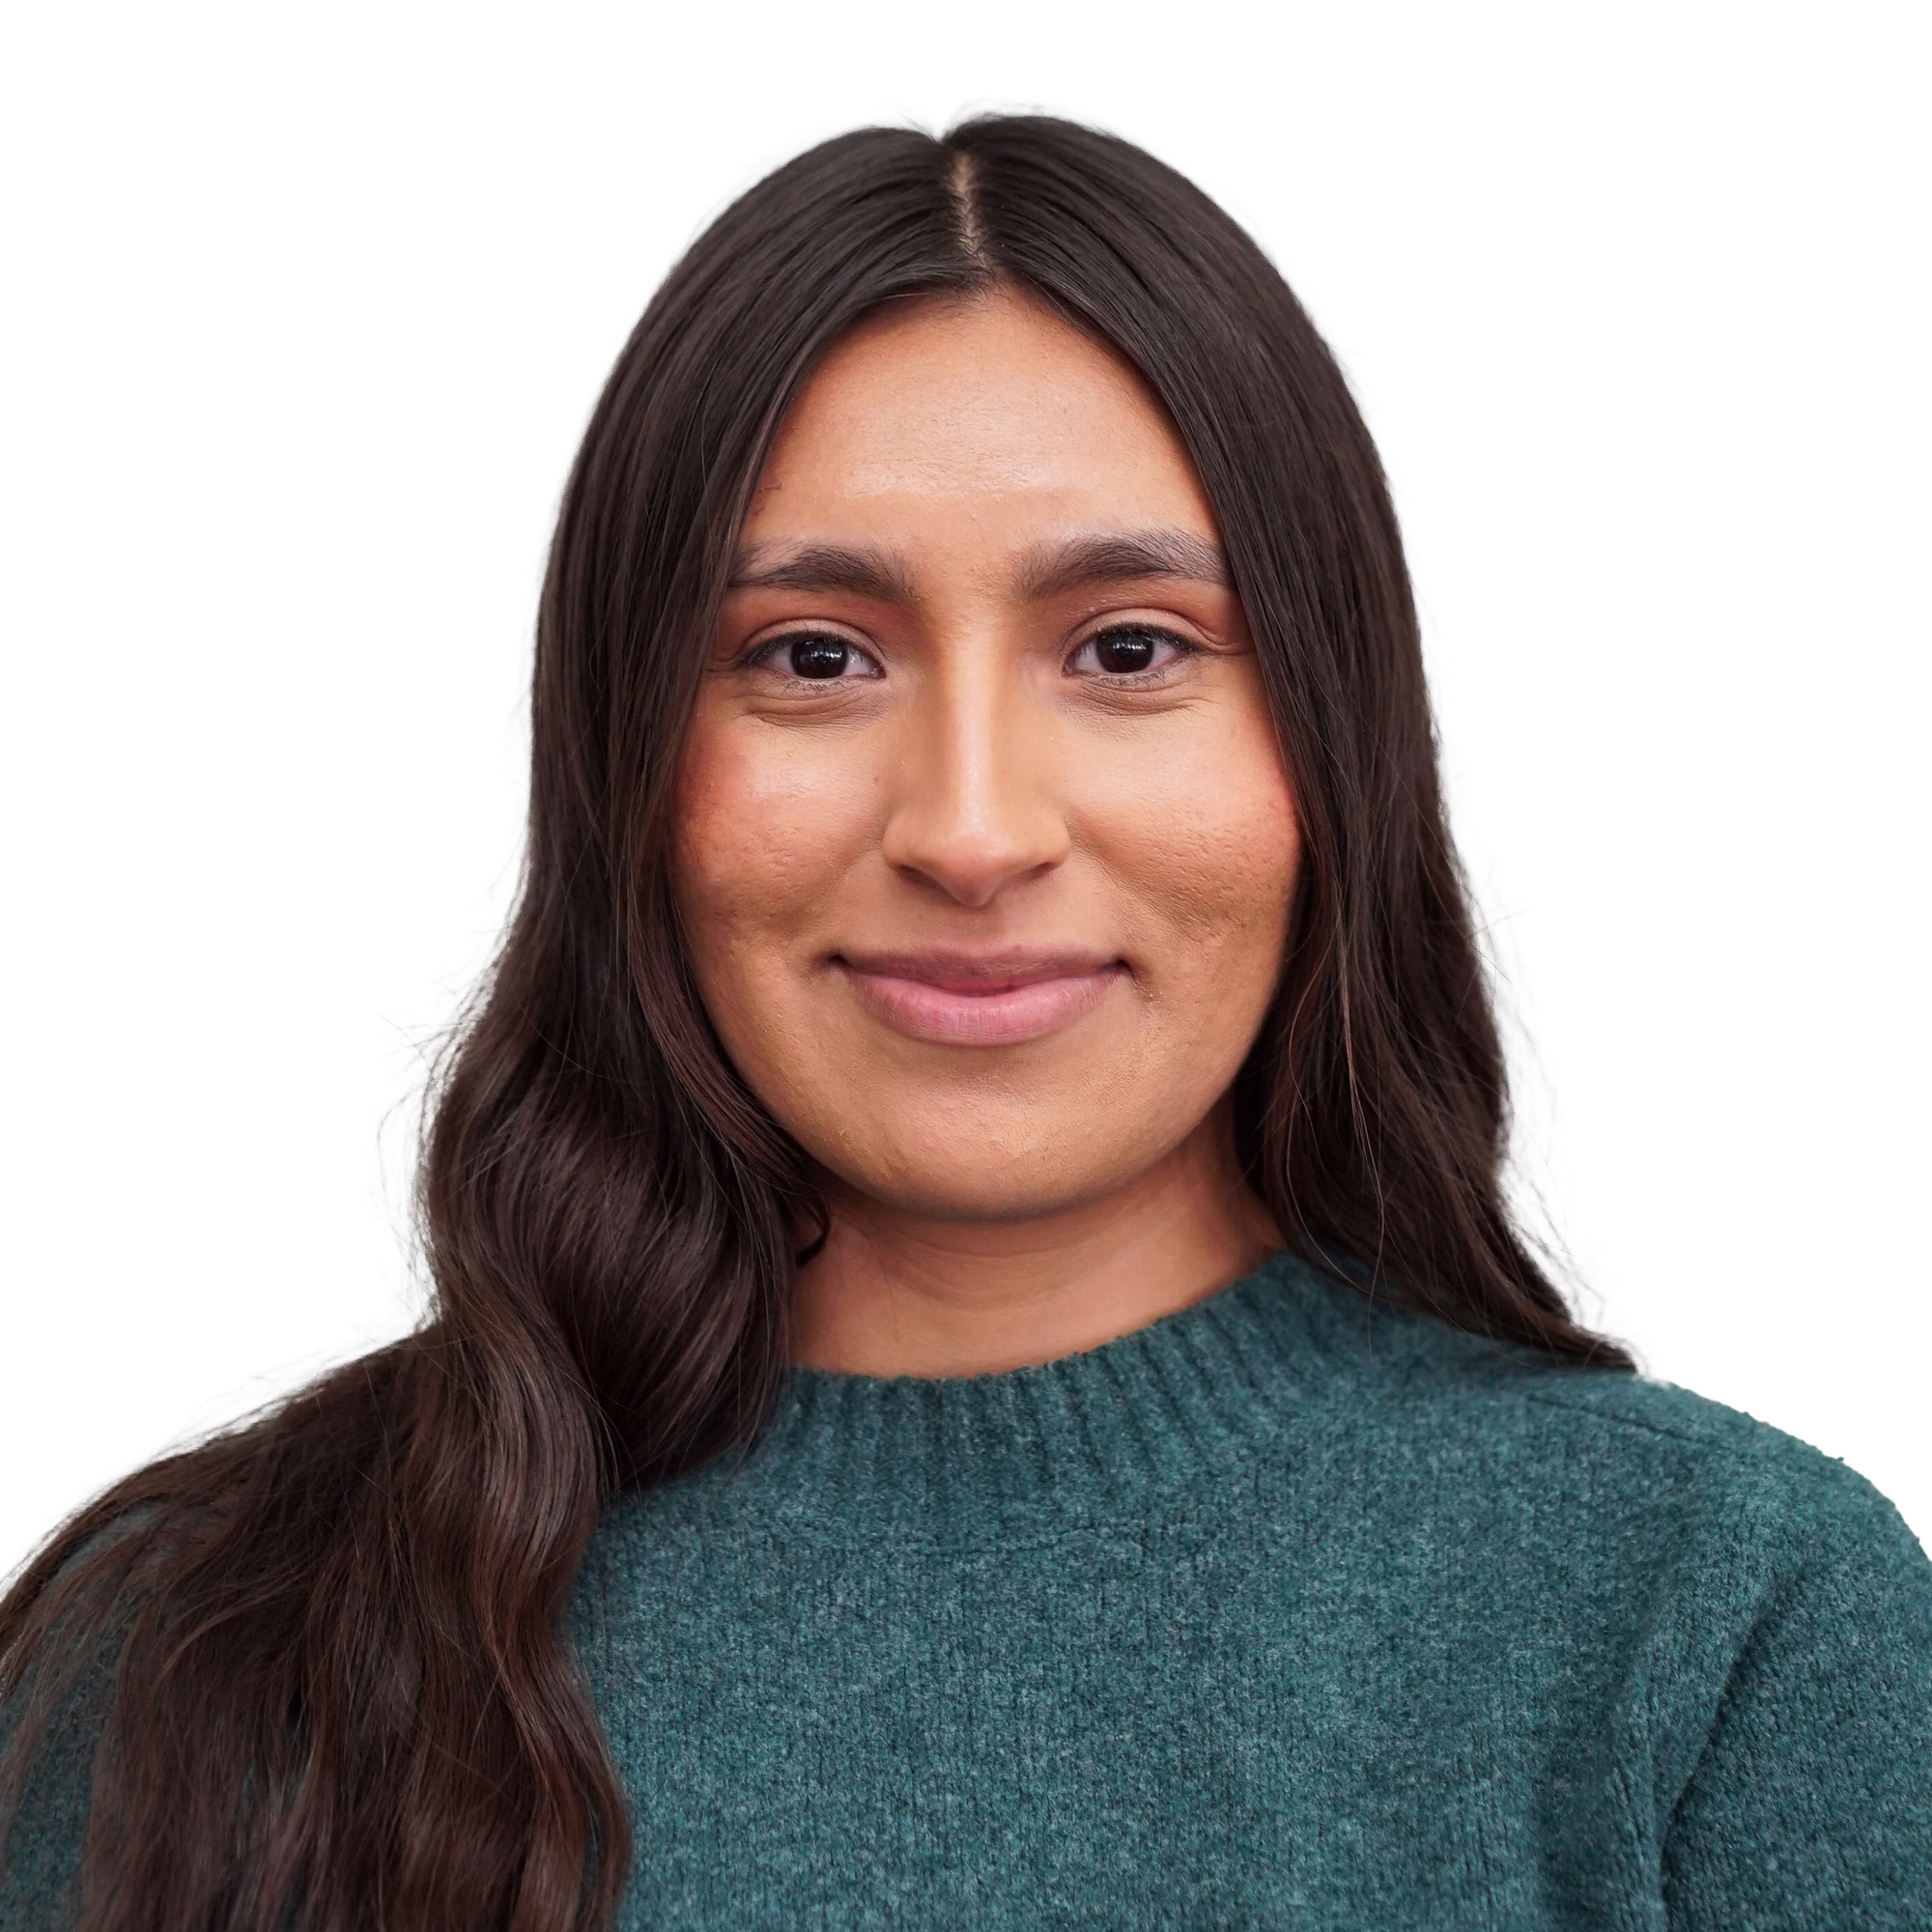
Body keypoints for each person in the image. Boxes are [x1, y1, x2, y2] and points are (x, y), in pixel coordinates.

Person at [2, 114, 1927, 1932]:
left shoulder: (1722, 1624)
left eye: (1129, 649)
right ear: (629, 770)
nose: (974, 829)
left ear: (1329, 748)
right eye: (811, 659)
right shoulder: (200, 1641)